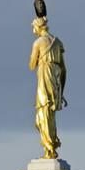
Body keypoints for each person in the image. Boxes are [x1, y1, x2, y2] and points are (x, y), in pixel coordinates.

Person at [29, 16, 67, 159]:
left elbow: (32, 65)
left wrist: (39, 58)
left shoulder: (38, 42)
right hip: (56, 81)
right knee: (50, 114)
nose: (33, 31)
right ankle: (51, 146)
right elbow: (64, 69)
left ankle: (49, 148)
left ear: (38, 27)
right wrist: (62, 91)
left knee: (43, 114)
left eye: (33, 27)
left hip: (45, 78)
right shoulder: (58, 43)